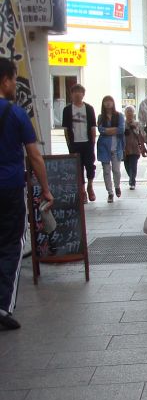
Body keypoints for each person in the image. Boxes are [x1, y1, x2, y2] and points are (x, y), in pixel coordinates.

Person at [0, 57, 52, 330]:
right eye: (13, 79)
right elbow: (35, 156)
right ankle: (3, 306)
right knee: (12, 244)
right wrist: (45, 189)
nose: (14, 85)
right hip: (9, 188)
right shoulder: (16, 113)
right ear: (6, 80)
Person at [61, 83, 97, 202]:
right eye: (75, 92)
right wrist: (69, 144)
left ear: (83, 94)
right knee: (78, 168)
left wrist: (92, 142)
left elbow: (93, 127)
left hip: (87, 142)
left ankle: (90, 186)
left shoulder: (89, 108)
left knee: (90, 166)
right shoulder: (67, 110)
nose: (77, 94)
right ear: (71, 94)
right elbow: (66, 129)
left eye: (80, 92)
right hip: (74, 143)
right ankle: (82, 191)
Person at [96, 95, 125, 203]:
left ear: (113, 103)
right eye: (106, 101)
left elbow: (121, 129)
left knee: (116, 170)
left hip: (117, 147)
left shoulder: (119, 115)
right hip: (104, 147)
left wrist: (108, 130)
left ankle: (117, 186)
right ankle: (110, 192)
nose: (108, 103)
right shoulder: (101, 117)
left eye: (110, 101)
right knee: (106, 171)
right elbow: (101, 130)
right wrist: (113, 130)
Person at [122, 105, 145, 190]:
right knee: (127, 166)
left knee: (133, 166)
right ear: (125, 114)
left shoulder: (137, 124)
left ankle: (132, 182)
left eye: (130, 112)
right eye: (127, 112)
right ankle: (131, 178)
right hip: (125, 148)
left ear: (133, 113)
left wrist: (134, 128)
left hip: (135, 148)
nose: (129, 114)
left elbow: (140, 135)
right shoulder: (122, 124)